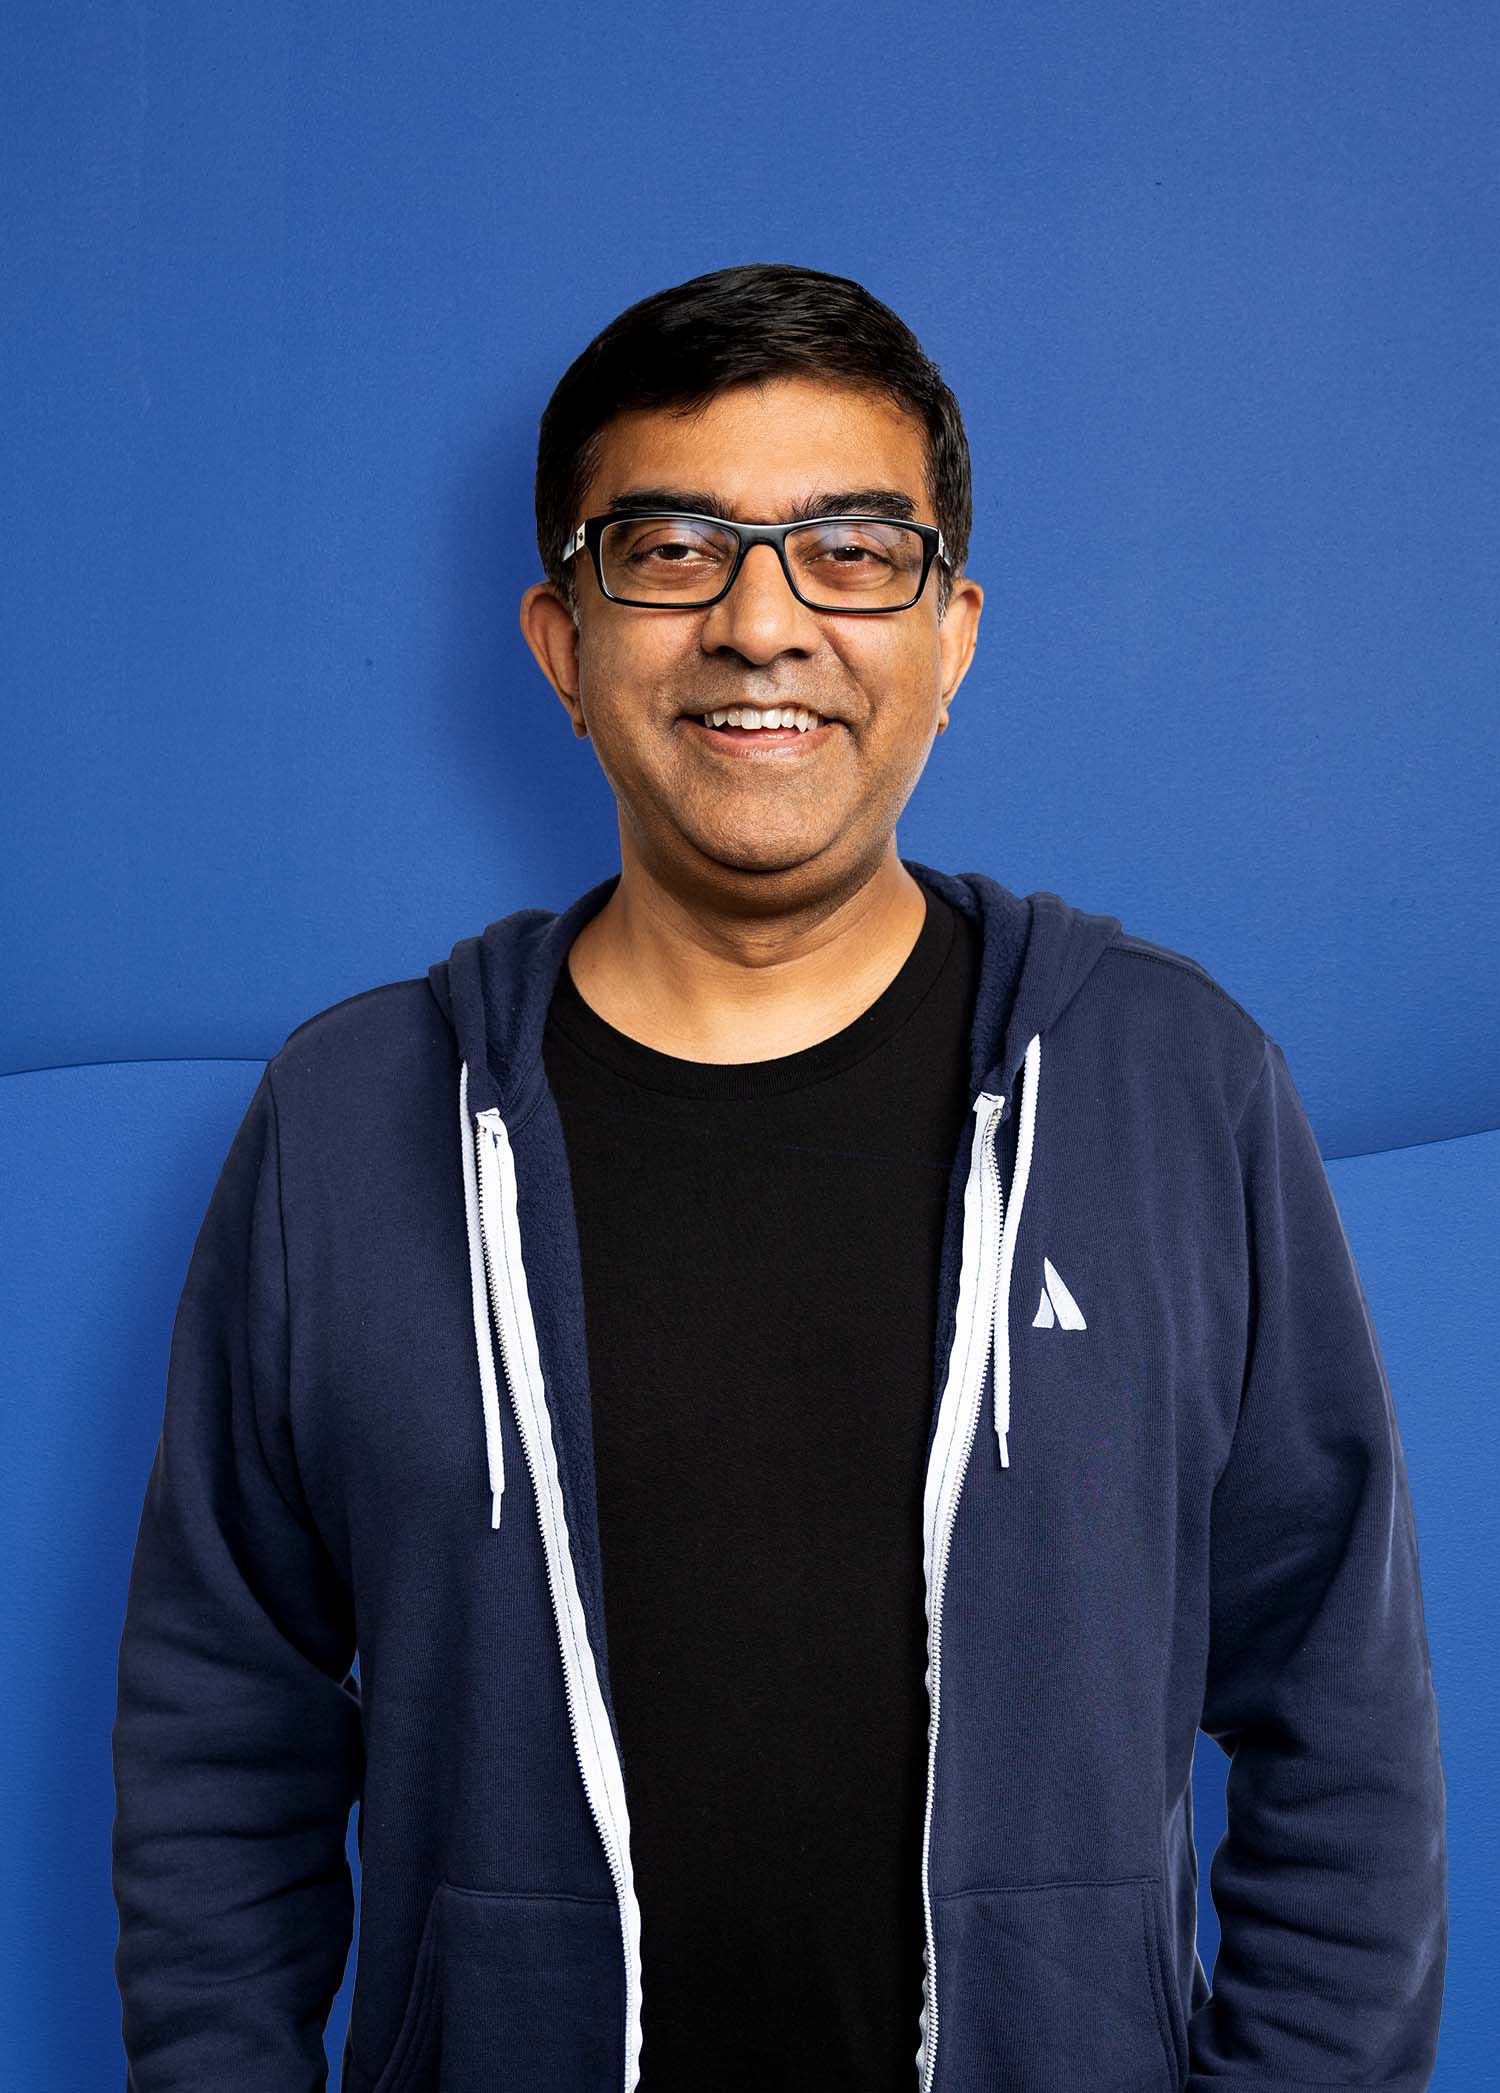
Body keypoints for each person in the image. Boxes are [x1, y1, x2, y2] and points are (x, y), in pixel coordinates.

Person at [110, 261, 1448, 2092]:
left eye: (852, 550)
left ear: (952, 636)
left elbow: (1343, 1722)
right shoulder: (349, 1122)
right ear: (562, 640)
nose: (762, 623)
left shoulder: (1174, 1087)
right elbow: (218, 1738)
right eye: (671, 549)